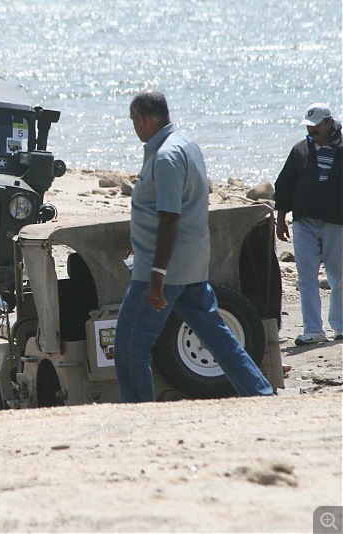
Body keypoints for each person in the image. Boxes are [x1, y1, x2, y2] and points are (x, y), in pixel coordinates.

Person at [113, 90, 273, 403]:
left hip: (162, 270)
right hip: (191, 264)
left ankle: (137, 413)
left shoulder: (166, 157)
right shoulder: (185, 143)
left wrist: (157, 275)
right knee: (215, 334)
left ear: (143, 119)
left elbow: (170, 218)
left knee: (130, 344)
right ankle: (260, 393)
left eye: (134, 121)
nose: (134, 128)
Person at [274, 103, 343, 345]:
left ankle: (341, 326)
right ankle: (313, 330)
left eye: (316, 126)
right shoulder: (300, 151)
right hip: (304, 222)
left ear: (328, 123)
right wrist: (281, 218)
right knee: (306, 276)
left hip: (336, 221)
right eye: (308, 126)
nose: (311, 131)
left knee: (339, 275)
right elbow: (284, 185)